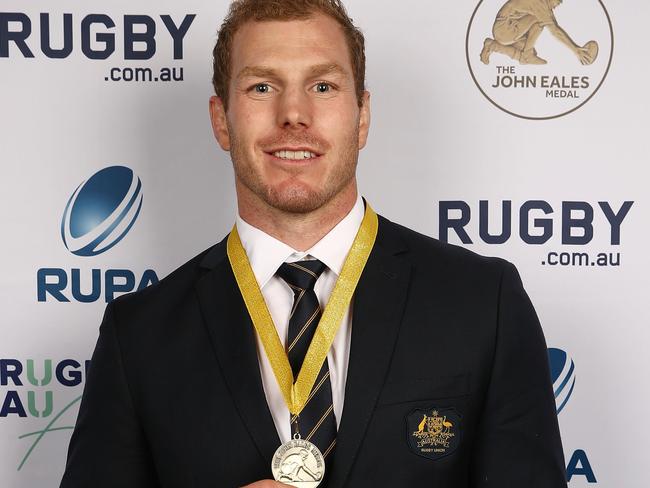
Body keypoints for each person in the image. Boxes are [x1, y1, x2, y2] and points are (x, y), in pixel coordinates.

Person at [60, 1, 567, 487]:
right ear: (221, 120)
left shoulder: (483, 302)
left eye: (323, 85)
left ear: (362, 116)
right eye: (262, 86)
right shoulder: (140, 334)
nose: (294, 114)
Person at [480, 0, 598, 65]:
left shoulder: (542, 6)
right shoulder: (539, 4)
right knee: (540, 21)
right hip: (504, 31)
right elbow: (555, 31)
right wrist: (575, 49)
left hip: (509, 31)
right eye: (558, 0)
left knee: (528, 50)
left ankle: (493, 46)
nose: (559, 3)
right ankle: (526, 56)